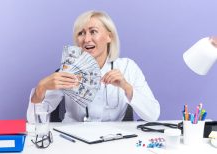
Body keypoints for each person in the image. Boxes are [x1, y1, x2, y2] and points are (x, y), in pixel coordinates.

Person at [27, 10, 160, 123]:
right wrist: (41, 88)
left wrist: (127, 88)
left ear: (109, 36)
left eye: (93, 31)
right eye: (81, 33)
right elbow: (34, 122)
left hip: (114, 140)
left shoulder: (128, 67)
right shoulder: (68, 70)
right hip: (73, 140)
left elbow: (153, 115)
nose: (86, 39)